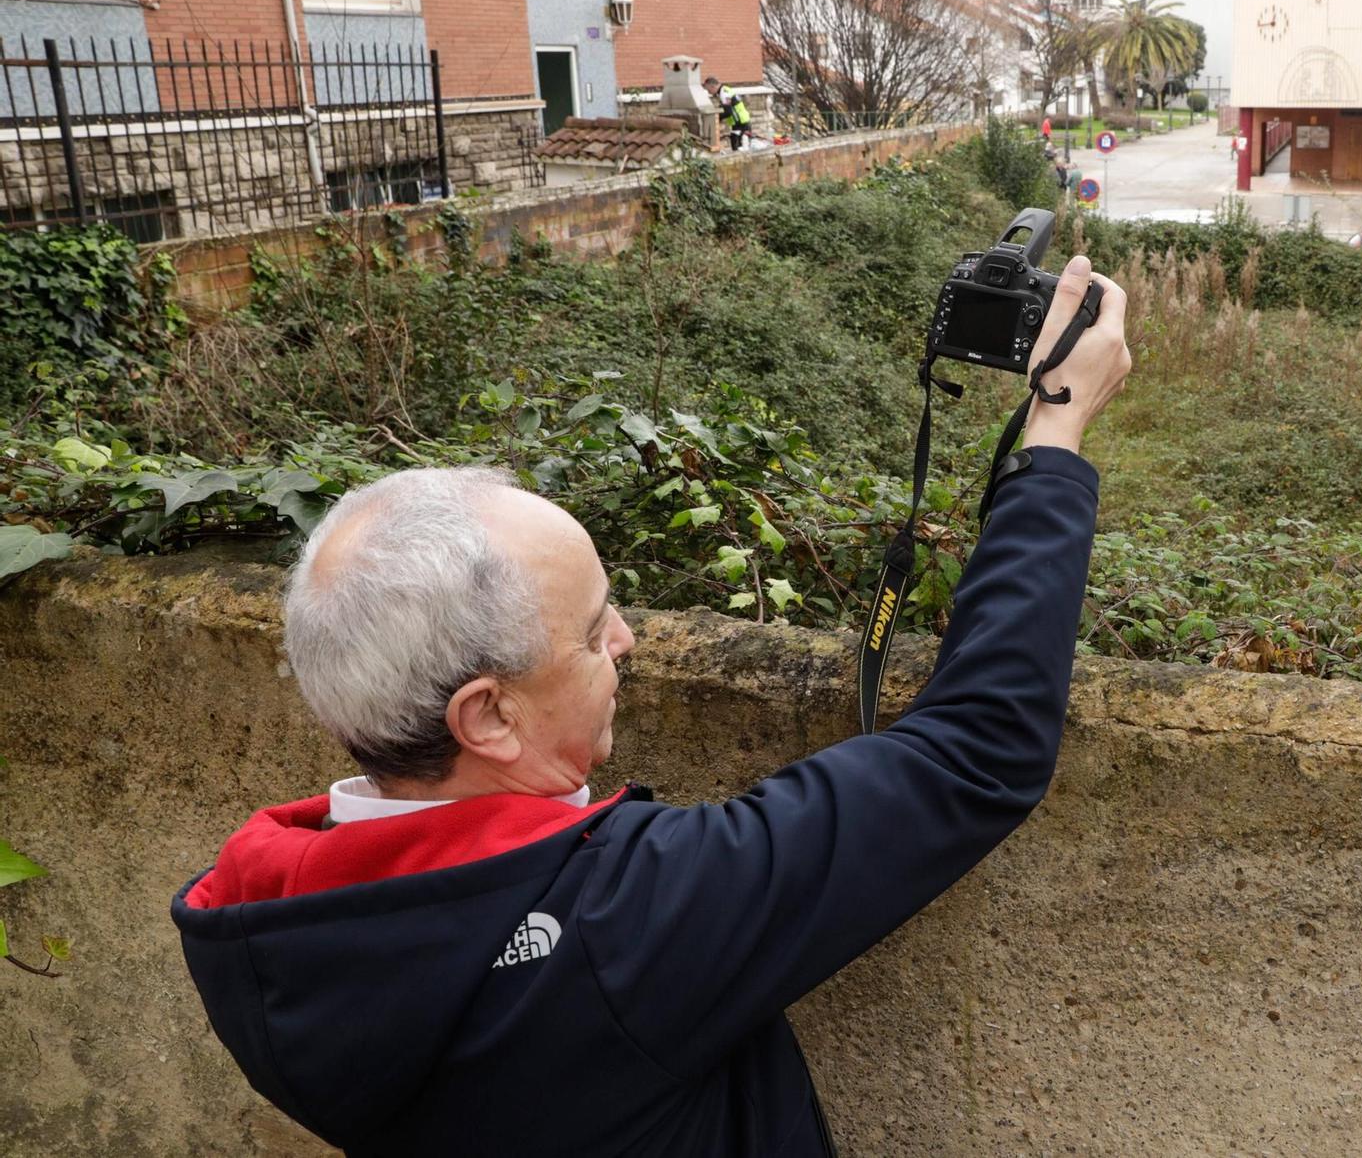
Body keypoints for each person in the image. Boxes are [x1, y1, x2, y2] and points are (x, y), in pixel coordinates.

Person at [171, 257, 1130, 1156]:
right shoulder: (626, 926)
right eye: (592, 631)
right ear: (488, 716)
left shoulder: (266, 932)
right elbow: (977, 749)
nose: (627, 637)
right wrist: (1056, 429)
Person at [704, 74, 753, 151]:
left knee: (740, 149)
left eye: (709, 90)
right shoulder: (723, 91)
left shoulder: (724, 93)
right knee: (736, 147)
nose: (709, 92)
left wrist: (716, 118)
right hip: (738, 123)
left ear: (713, 86)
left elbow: (728, 111)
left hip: (741, 123)